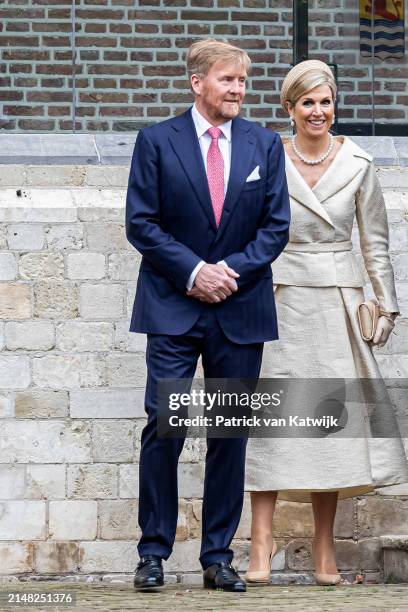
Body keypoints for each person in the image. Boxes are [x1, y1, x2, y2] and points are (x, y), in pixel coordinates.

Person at [126, 38, 290, 592]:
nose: (238, 90)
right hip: (173, 306)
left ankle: (217, 557)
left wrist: (228, 273)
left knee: (229, 435)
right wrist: (196, 271)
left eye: (243, 82)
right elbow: (142, 224)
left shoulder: (265, 146)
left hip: (239, 309)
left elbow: (275, 228)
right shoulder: (155, 142)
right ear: (198, 82)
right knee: (164, 427)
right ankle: (152, 553)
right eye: (228, 80)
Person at [245, 60, 408, 586]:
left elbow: (374, 243)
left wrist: (385, 306)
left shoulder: (359, 163)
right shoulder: (266, 156)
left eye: (326, 101)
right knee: (270, 423)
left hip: (338, 301)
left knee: (329, 425)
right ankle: (261, 545)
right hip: (277, 297)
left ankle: (323, 549)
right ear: (289, 109)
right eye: (308, 102)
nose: (319, 111)